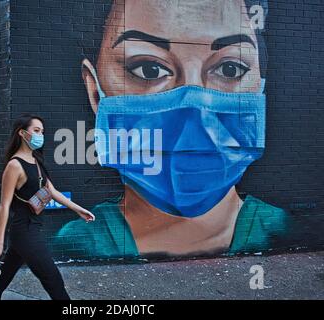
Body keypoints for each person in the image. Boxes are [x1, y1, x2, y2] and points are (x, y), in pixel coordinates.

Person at [54, 0, 292, 259]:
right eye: (149, 69)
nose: (193, 110)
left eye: (230, 68)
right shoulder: (76, 244)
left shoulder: (285, 230)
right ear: (95, 94)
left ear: (260, 88)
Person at [0, 114, 95, 300]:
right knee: (54, 280)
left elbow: (52, 191)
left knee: (2, 279)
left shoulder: (36, 160)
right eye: (36, 130)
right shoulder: (14, 166)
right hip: (25, 231)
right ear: (22, 133)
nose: (40, 135)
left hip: (32, 227)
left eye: (42, 131)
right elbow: (4, 205)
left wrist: (78, 209)